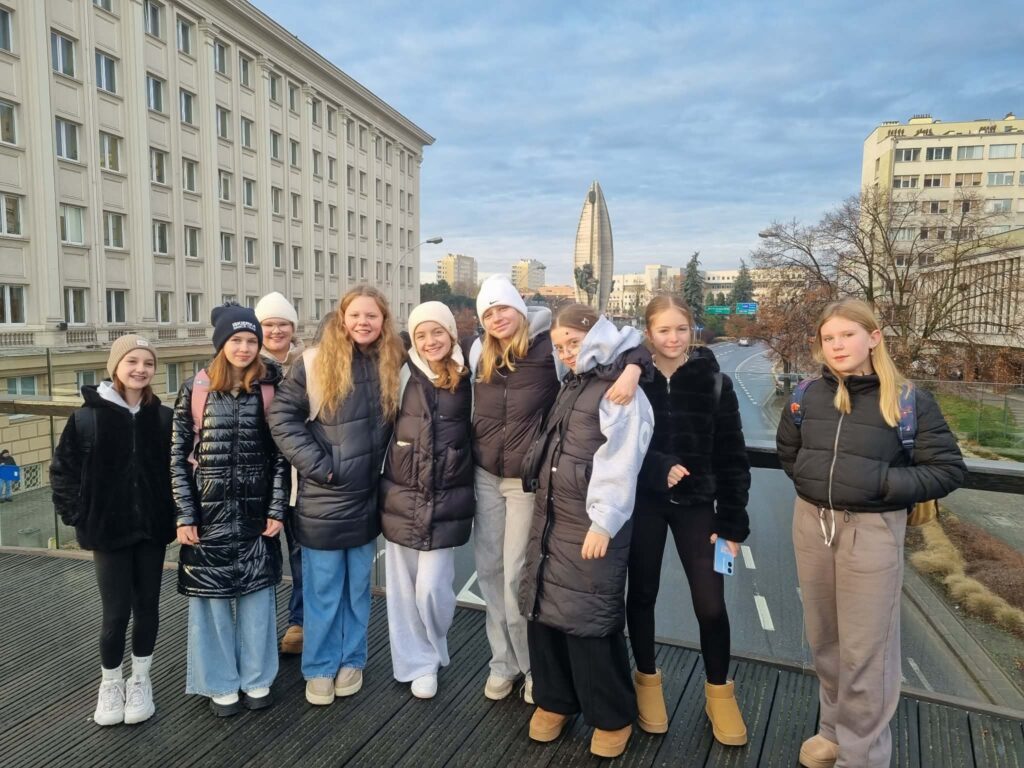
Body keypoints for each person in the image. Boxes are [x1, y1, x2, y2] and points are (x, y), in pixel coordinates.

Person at [777, 298, 966, 768]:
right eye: (829, 338)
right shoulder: (807, 394)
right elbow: (789, 452)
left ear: (874, 338)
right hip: (812, 523)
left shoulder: (907, 400)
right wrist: (815, 482)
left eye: (848, 335)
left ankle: (861, 755)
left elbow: (947, 469)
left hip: (873, 529)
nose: (837, 345)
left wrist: (880, 484)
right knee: (824, 640)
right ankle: (832, 731)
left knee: (867, 650)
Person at [467, 275, 645, 703]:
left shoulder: (551, 349)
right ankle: (502, 663)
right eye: (488, 313)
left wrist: (636, 366)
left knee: (518, 576)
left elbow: (616, 346)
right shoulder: (477, 351)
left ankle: (534, 669)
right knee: (489, 573)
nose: (497, 318)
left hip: (527, 481)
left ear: (518, 308)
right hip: (485, 476)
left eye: (503, 308)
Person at [517, 304, 654, 759]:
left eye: (573, 343)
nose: (566, 353)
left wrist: (605, 520)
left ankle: (612, 715)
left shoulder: (619, 389)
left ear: (596, 336)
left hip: (590, 521)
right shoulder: (574, 383)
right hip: (553, 513)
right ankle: (555, 699)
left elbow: (623, 458)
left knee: (589, 617)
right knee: (544, 609)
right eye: (560, 347)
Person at [267, 286, 404, 706]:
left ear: (383, 321)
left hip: (366, 497)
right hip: (322, 498)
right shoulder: (313, 361)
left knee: (357, 590)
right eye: (356, 315)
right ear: (342, 318)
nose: (363, 322)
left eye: (372, 316)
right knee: (323, 589)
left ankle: (352, 660)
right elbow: (281, 417)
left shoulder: (391, 361)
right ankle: (320, 668)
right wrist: (321, 466)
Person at [626, 295, 751, 745]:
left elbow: (733, 455)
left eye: (681, 329)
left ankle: (719, 693)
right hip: (645, 502)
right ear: (649, 333)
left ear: (692, 330)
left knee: (711, 604)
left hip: (698, 506)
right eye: (664, 330)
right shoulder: (634, 380)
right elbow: (616, 446)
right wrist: (655, 469)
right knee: (642, 595)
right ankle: (646, 681)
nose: (674, 338)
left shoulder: (714, 382)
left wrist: (733, 523)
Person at [170, 304, 289, 717]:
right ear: (221, 343)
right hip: (208, 513)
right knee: (211, 600)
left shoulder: (271, 387)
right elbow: (177, 457)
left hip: (256, 511)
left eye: (251, 340)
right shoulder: (196, 389)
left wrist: (277, 508)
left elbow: (280, 457)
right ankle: (220, 682)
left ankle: (257, 677)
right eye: (236, 340)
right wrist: (185, 514)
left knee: (257, 597)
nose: (244, 348)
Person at [50, 335, 175, 726]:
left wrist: (174, 513)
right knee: (115, 613)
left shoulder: (163, 417)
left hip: (152, 527)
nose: (140, 369)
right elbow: (63, 471)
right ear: (115, 366)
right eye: (132, 361)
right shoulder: (87, 417)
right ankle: (110, 683)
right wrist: (79, 516)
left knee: (147, 608)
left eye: (148, 363)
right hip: (108, 530)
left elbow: (177, 471)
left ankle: (140, 680)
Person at [379, 301, 473, 699]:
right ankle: (416, 664)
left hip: (446, 497)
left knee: (432, 589)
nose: (430, 341)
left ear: (451, 333)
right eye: (421, 334)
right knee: (402, 591)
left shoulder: (470, 375)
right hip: (402, 495)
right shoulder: (401, 373)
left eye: (437, 332)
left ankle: (433, 648)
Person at [255, 291, 306, 656]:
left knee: (303, 554)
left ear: (293, 328)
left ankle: (299, 622)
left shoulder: (308, 363)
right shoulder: (245, 364)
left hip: (301, 475)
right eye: (268, 324)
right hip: (260, 476)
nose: (276, 331)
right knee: (262, 554)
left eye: (283, 324)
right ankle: (259, 629)